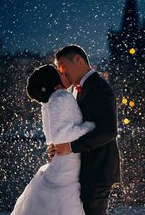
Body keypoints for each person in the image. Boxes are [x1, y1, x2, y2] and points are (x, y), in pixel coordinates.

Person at [11, 64, 95, 215]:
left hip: (64, 163)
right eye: (58, 72)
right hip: (68, 166)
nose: (63, 73)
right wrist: (89, 127)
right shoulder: (61, 97)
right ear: (54, 79)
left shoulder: (50, 101)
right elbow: (60, 135)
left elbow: (51, 136)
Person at [51, 44, 120, 215]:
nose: (62, 73)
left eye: (63, 68)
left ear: (78, 60)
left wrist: (71, 147)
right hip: (90, 169)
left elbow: (108, 131)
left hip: (98, 169)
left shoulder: (98, 87)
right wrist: (60, 146)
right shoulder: (80, 89)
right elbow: (79, 127)